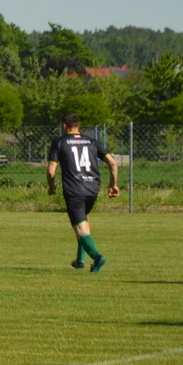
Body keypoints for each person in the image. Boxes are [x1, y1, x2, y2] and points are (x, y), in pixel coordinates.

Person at [47, 113, 119, 272]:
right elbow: (113, 163)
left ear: (64, 126)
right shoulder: (92, 141)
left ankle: (97, 257)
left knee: (80, 229)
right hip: (93, 188)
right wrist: (113, 185)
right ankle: (80, 260)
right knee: (84, 222)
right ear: (78, 126)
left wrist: (51, 186)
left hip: (74, 189)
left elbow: (51, 171)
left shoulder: (59, 142)